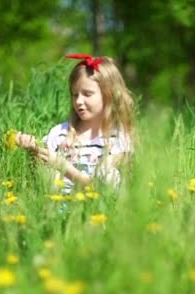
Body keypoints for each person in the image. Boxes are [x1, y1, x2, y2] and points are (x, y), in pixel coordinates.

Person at [16, 54, 135, 193]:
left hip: (99, 210)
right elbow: (41, 178)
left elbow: (102, 189)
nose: (78, 101)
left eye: (87, 94)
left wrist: (63, 166)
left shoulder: (118, 139)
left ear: (109, 95)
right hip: (58, 206)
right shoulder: (59, 134)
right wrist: (33, 150)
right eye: (75, 94)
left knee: (109, 175)